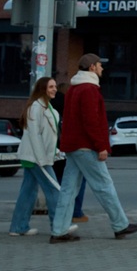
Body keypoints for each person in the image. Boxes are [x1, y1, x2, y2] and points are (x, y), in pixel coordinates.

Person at [49, 54, 137, 244]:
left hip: (73, 146)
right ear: (92, 67)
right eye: (100, 65)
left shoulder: (74, 89)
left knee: (68, 189)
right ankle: (120, 224)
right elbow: (92, 122)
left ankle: (59, 231)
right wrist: (101, 146)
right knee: (104, 186)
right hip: (86, 147)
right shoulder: (89, 89)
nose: (102, 68)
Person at [8, 77, 62, 237]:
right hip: (36, 158)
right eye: (51, 87)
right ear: (42, 89)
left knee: (28, 191)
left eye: (55, 86)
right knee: (53, 190)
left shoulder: (45, 107)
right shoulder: (36, 107)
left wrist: (55, 151)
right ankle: (59, 226)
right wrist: (42, 158)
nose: (55, 89)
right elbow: (34, 135)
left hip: (36, 156)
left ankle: (18, 226)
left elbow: (48, 135)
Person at [50, 81, 89, 224]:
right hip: (66, 149)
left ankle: (62, 213)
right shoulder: (69, 105)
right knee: (77, 180)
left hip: (54, 150)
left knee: (59, 182)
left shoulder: (50, 106)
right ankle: (75, 212)